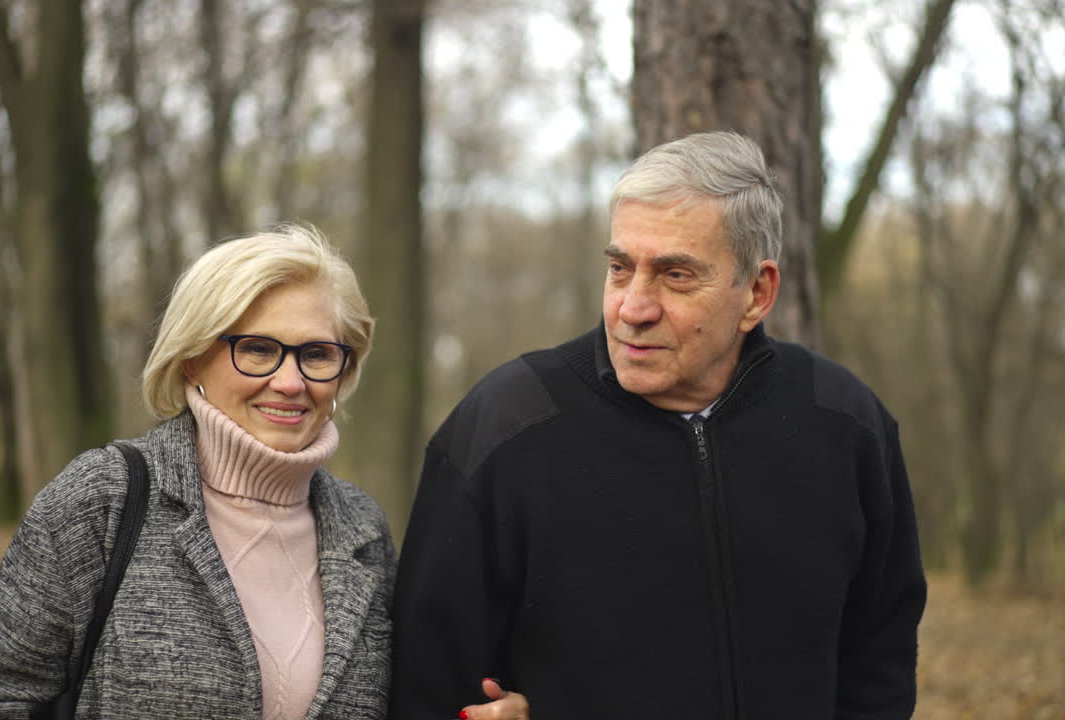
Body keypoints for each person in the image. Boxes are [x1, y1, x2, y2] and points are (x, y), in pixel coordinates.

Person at [390, 132, 927, 719]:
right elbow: (427, 684)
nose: (633, 307)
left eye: (675, 276)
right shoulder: (508, 423)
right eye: (621, 269)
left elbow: (881, 666)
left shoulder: (845, 424)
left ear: (757, 292)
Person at [0, 225, 529, 720]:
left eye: (317, 354)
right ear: (193, 356)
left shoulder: (363, 531)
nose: (291, 382)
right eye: (259, 349)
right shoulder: (103, 500)